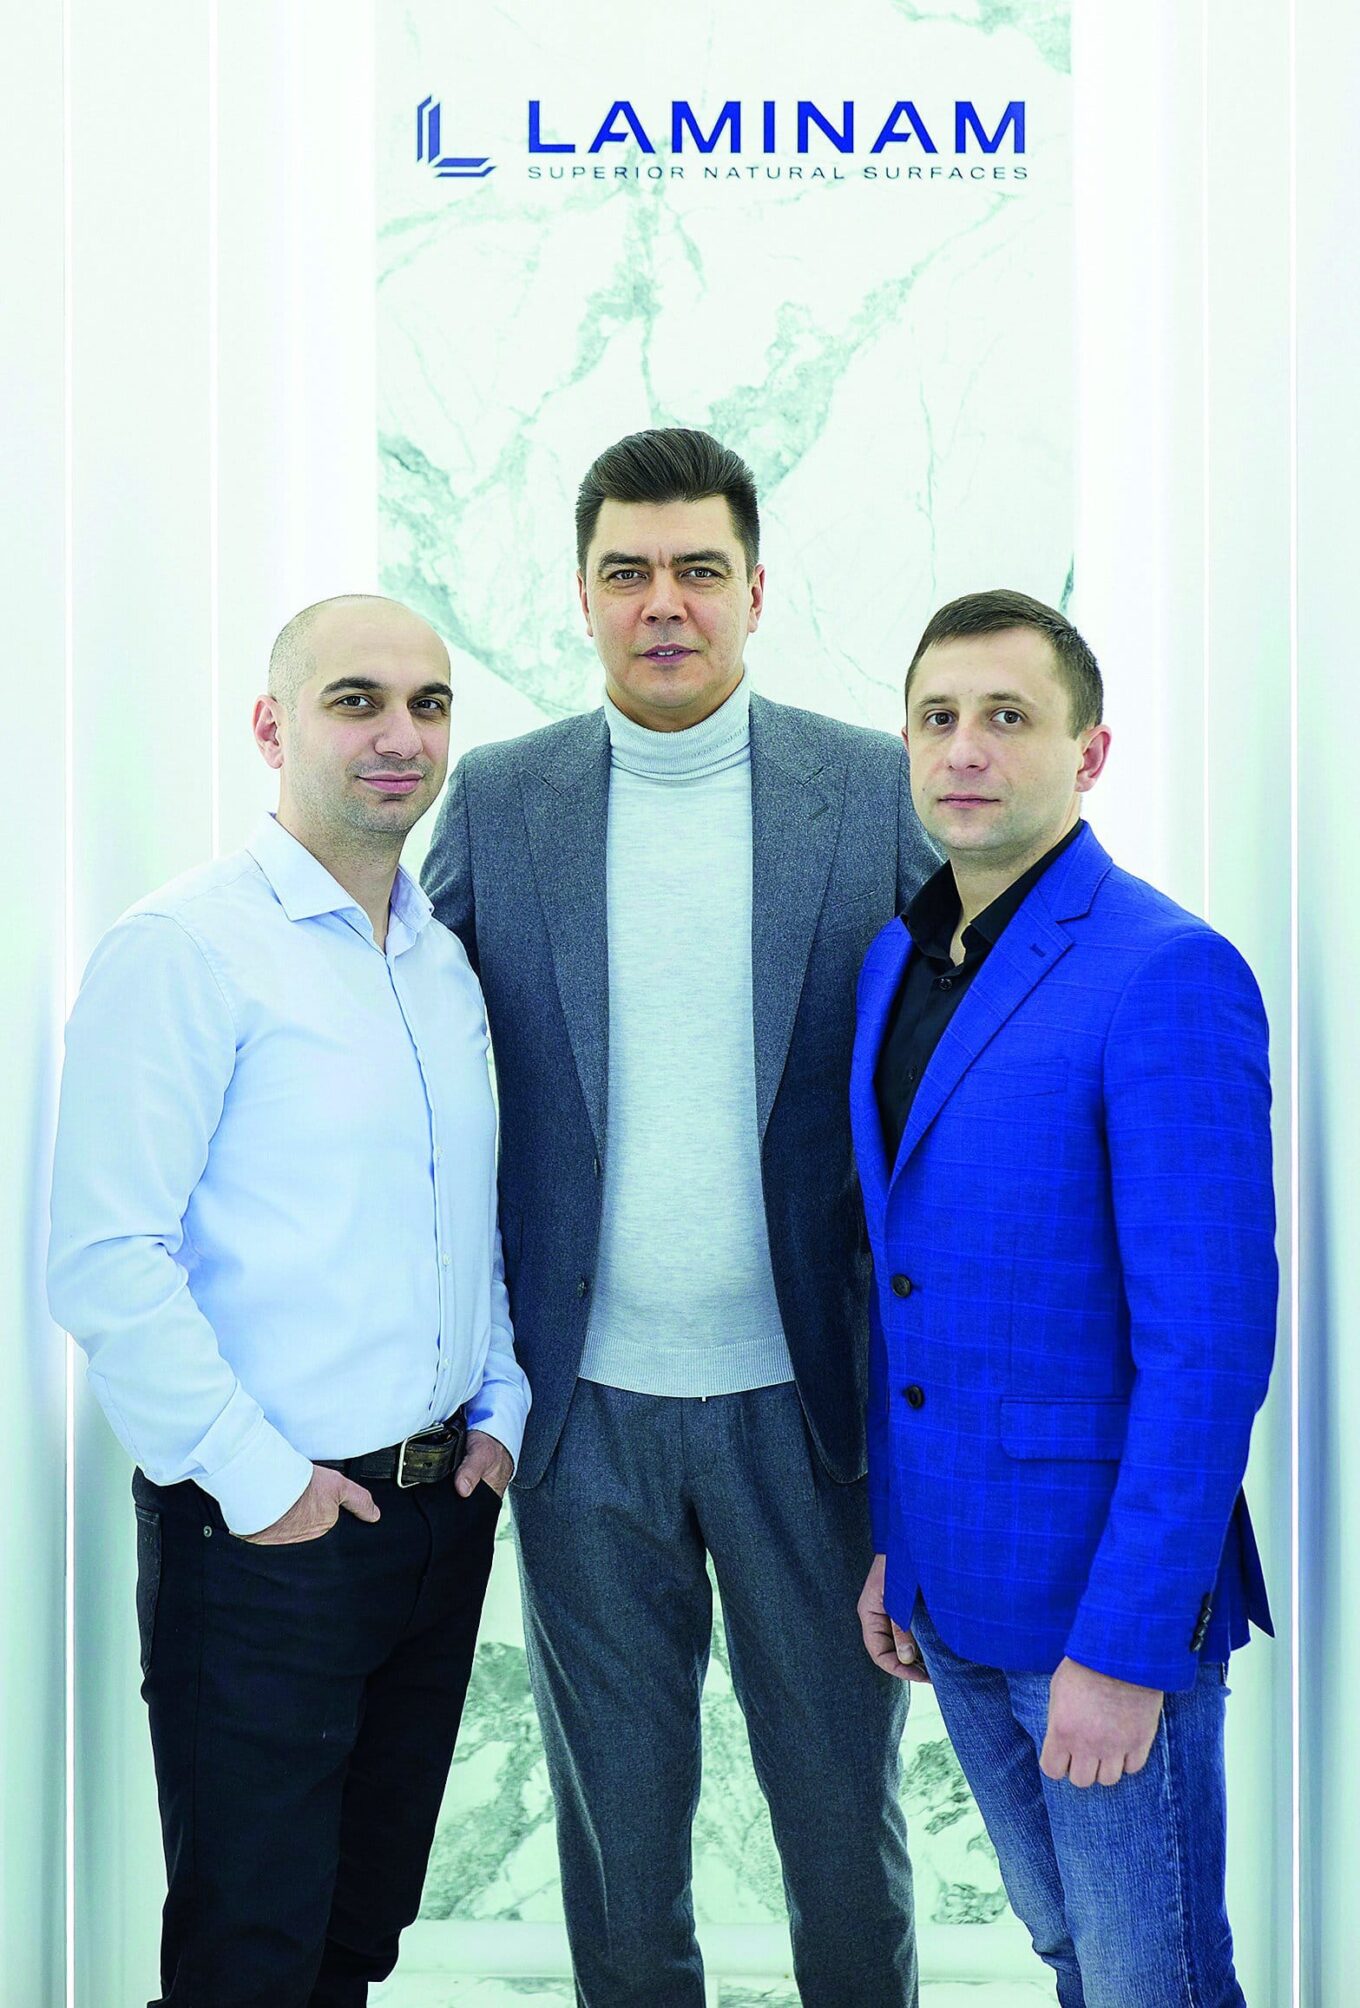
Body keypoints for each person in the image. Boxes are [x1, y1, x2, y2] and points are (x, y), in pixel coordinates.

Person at [422, 427, 933, 2006]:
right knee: (621, 1854)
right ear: (582, 596)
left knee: (842, 1832)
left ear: (756, 591)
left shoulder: (872, 791)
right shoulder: (500, 801)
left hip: (811, 1411)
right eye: (628, 572)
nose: (665, 603)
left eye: (699, 569)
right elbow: (408, 1061)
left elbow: (958, 1067)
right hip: (584, 1417)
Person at [48, 594, 529, 2008]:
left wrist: (499, 1401)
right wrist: (262, 1487)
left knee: (355, 1940)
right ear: (272, 726)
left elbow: (460, 1209)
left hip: (436, 1523)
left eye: (428, 705)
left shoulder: (439, 961)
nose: (400, 736)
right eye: (354, 701)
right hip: (267, 1539)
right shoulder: (186, 948)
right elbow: (105, 1257)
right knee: (247, 1961)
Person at [852, 589, 1277, 2007]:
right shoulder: (897, 964)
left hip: (1098, 1608)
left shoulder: (1166, 971)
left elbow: (1210, 1347)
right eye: (937, 718)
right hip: (951, 1585)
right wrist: (898, 1545)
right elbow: (908, 1286)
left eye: (1008, 717)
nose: (965, 748)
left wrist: (1127, 1647)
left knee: (1157, 1980)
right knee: (1072, 1958)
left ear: (1089, 753)